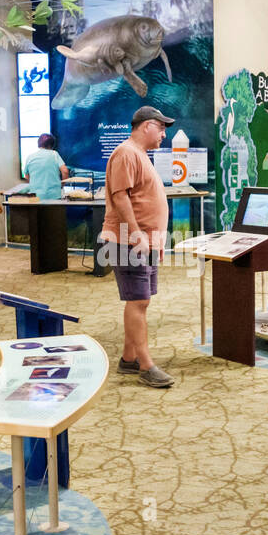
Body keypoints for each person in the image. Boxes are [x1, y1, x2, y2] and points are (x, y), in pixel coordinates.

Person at [99, 106, 174, 388]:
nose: (165, 134)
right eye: (162, 128)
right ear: (146, 126)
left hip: (142, 242)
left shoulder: (139, 155)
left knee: (140, 299)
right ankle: (145, 365)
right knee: (139, 300)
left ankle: (129, 358)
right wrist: (137, 235)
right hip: (127, 241)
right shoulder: (126, 153)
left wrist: (154, 239)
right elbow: (120, 197)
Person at [22, 133, 69, 199]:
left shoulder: (30, 157)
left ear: (39, 143)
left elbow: (26, 175)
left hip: (35, 197)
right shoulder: (54, 154)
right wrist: (62, 185)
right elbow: (65, 171)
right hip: (54, 196)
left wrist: (34, 185)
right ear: (51, 145)